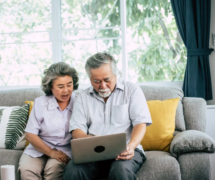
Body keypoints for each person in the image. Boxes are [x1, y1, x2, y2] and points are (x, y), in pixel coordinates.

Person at [63, 52, 152, 180]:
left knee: (120, 170)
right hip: (93, 153)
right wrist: (92, 140)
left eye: (107, 80)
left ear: (115, 75)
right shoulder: (82, 97)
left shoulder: (132, 90)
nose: (103, 86)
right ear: (90, 79)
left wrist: (130, 147)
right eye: (96, 81)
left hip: (126, 150)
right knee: (72, 171)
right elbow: (77, 131)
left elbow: (140, 123)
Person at [19, 62, 79, 180]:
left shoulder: (79, 102)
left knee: (53, 171)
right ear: (50, 87)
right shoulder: (40, 103)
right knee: (27, 170)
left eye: (69, 84)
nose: (66, 90)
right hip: (38, 148)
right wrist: (51, 152)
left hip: (65, 150)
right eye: (60, 87)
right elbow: (30, 134)